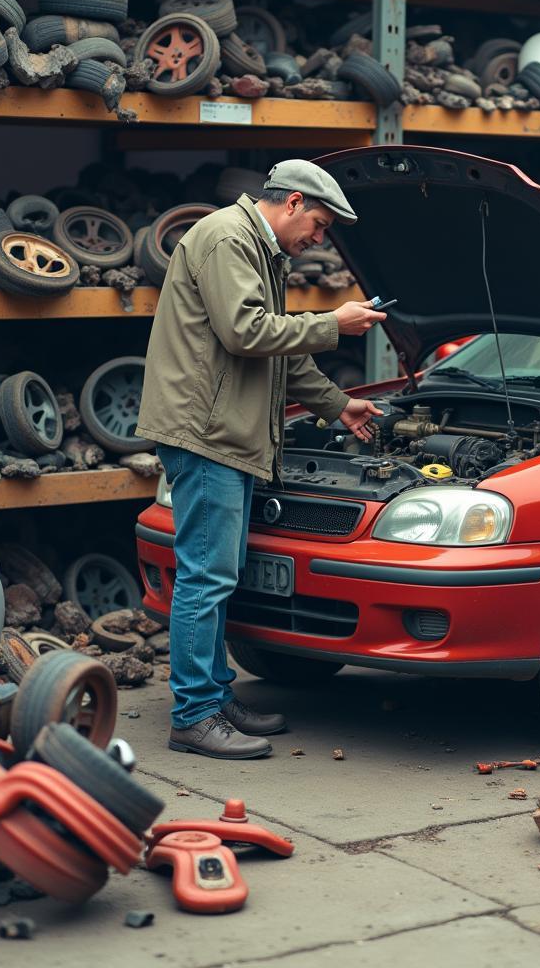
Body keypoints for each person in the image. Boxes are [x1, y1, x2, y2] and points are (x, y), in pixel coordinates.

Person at [136, 159, 386, 759]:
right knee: (207, 575)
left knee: (217, 576)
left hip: (231, 432)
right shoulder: (228, 238)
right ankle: (194, 715)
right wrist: (332, 322)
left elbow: (280, 352)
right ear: (293, 202)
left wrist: (337, 405)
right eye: (320, 226)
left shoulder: (262, 250)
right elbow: (246, 332)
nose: (318, 240)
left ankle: (216, 698)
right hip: (207, 433)